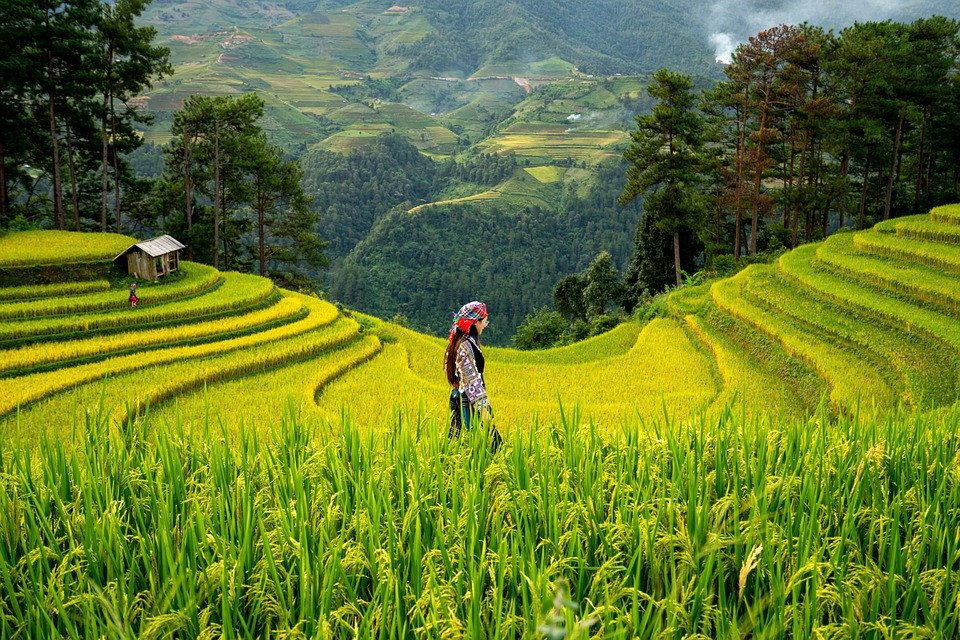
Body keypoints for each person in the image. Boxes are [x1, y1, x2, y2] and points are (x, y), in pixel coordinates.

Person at [443, 300, 502, 451]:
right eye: (484, 322)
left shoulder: (457, 342)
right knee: (472, 445)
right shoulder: (465, 346)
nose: (484, 325)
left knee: (457, 442)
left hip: (459, 397)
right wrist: (483, 410)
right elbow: (472, 381)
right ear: (475, 323)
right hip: (469, 402)